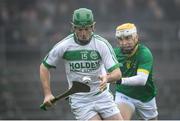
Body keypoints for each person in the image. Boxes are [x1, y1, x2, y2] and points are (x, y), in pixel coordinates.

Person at [40, 8, 123, 120]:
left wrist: (107, 78)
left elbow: (117, 74)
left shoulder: (102, 44)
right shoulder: (64, 45)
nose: (83, 33)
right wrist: (47, 94)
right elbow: (44, 67)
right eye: (79, 29)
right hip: (80, 101)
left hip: (102, 97)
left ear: (93, 26)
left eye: (87, 29)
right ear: (73, 27)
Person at [114, 23, 158, 120]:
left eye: (128, 38)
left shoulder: (144, 53)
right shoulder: (114, 54)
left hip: (146, 97)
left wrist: (119, 80)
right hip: (124, 94)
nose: (124, 43)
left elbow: (142, 80)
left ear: (136, 37)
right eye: (120, 39)